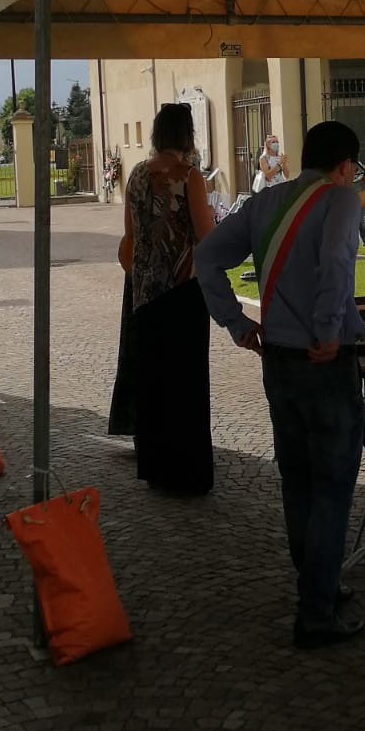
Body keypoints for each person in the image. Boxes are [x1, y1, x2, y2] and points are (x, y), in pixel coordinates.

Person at [196, 121, 365, 648]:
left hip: (277, 358)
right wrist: (328, 329)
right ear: (345, 166)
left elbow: (206, 258)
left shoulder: (264, 201)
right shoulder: (341, 200)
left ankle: (317, 582)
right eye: (355, 169)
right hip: (324, 360)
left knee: (297, 479)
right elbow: (336, 263)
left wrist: (235, 322)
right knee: (333, 483)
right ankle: (316, 611)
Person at [121, 103, 216, 495]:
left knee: (154, 382)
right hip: (182, 289)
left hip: (144, 291)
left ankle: (156, 467)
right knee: (186, 383)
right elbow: (205, 235)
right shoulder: (189, 176)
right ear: (186, 134)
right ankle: (187, 472)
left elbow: (130, 235)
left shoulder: (136, 174)